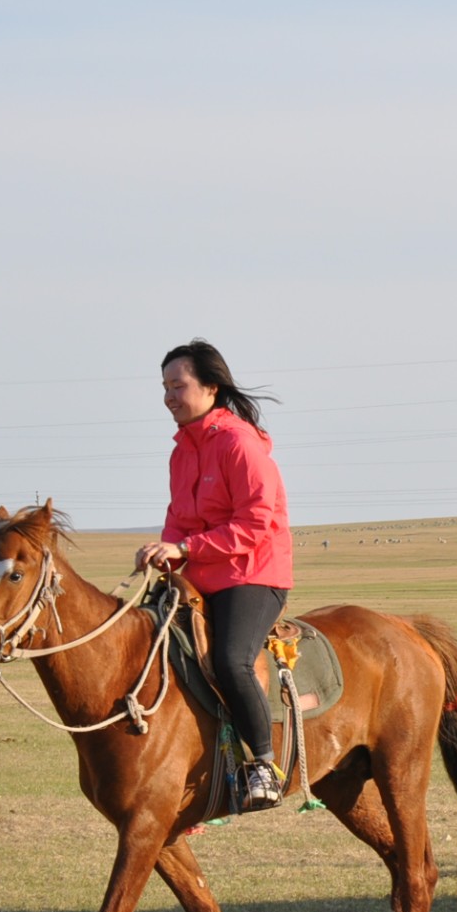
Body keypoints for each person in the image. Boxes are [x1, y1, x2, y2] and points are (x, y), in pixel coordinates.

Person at [136, 340, 294, 810]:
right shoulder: (181, 452)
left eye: (178, 385)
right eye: (164, 387)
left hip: (252, 573)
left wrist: (185, 548)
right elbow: (179, 518)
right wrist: (165, 553)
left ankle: (263, 764)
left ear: (211, 387)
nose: (169, 396)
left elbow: (256, 521)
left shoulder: (239, 443)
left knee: (229, 660)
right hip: (199, 575)